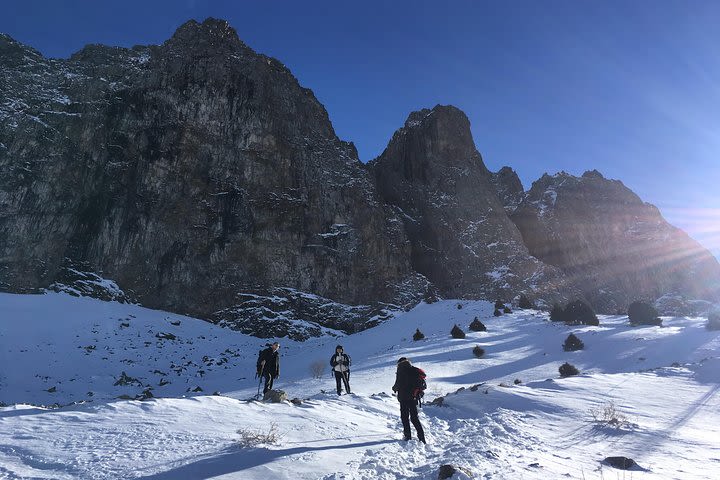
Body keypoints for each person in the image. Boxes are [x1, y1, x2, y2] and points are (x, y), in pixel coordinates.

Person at [392, 357, 426, 443]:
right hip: (413, 397)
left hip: (404, 398)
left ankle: (408, 436)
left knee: (405, 417)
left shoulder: (401, 370)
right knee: (414, 418)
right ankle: (421, 438)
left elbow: (398, 383)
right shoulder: (414, 370)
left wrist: (394, 388)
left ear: (399, 363)